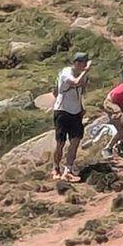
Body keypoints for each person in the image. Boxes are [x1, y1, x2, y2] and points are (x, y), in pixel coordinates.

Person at [52, 52, 91, 182]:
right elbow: (75, 83)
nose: (84, 66)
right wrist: (85, 72)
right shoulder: (66, 72)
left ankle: (68, 170)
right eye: (83, 63)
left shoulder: (83, 76)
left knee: (75, 141)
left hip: (76, 111)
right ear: (77, 63)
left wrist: (81, 107)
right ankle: (56, 168)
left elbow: (80, 91)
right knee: (61, 143)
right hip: (62, 111)